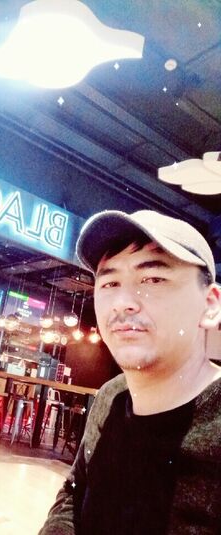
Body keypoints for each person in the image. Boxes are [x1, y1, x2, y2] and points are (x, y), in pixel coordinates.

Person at [39, 210, 221, 535]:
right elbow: (75, 492)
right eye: (110, 283)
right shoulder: (111, 396)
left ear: (210, 305)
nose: (122, 303)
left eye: (153, 279)